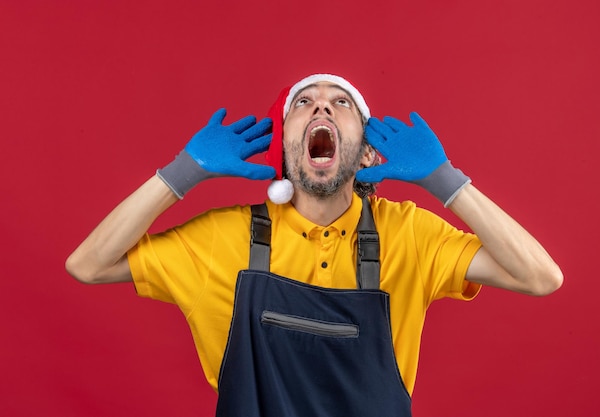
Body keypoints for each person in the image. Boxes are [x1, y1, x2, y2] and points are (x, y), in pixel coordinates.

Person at [66, 74, 563, 417]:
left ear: (368, 151)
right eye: (303, 103)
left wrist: (448, 183)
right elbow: (88, 264)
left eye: (340, 102)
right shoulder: (224, 238)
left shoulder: (410, 234)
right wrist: (182, 173)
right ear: (283, 149)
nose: (322, 105)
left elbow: (541, 277)